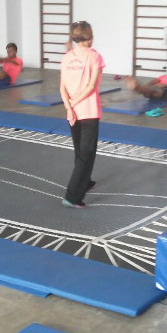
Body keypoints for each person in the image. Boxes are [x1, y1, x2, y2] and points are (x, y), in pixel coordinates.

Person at [59, 21, 104, 209]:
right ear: (89, 36)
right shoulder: (95, 56)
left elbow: (62, 87)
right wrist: (74, 104)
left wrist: (69, 107)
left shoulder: (67, 57)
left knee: (80, 151)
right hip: (87, 112)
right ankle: (72, 196)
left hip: (73, 113)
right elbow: (91, 86)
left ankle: (85, 182)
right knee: (87, 154)